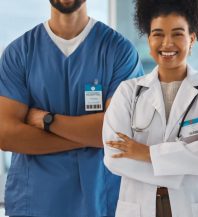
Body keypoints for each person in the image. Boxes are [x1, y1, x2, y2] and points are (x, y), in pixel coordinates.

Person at [0, 0, 143, 216]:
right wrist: (90, 137)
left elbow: (118, 133)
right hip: (36, 203)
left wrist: (47, 121)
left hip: (100, 202)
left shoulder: (119, 52)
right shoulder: (19, 54)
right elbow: (7, 136)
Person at [102, 0, 198, 217]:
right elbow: (114, 157)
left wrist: (145, 153)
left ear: (192, 39)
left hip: (195, 208)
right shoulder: (128, 92)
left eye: (177, 34)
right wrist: (186, 163)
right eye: (158, 34)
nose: (167, 43)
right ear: (149, 39)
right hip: (140, 207)